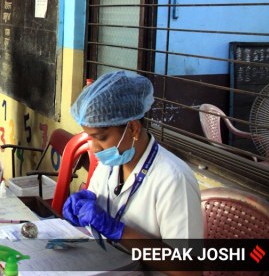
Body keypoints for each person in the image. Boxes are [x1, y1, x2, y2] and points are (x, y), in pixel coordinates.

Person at [63, 71, 203, 244]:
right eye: (90, 137)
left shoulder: (174, 180)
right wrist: (83, 205)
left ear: (133, 129)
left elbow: (187, 268)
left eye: (100, 138)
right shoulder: (109, 163)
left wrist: (119, 231)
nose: (94, 147)